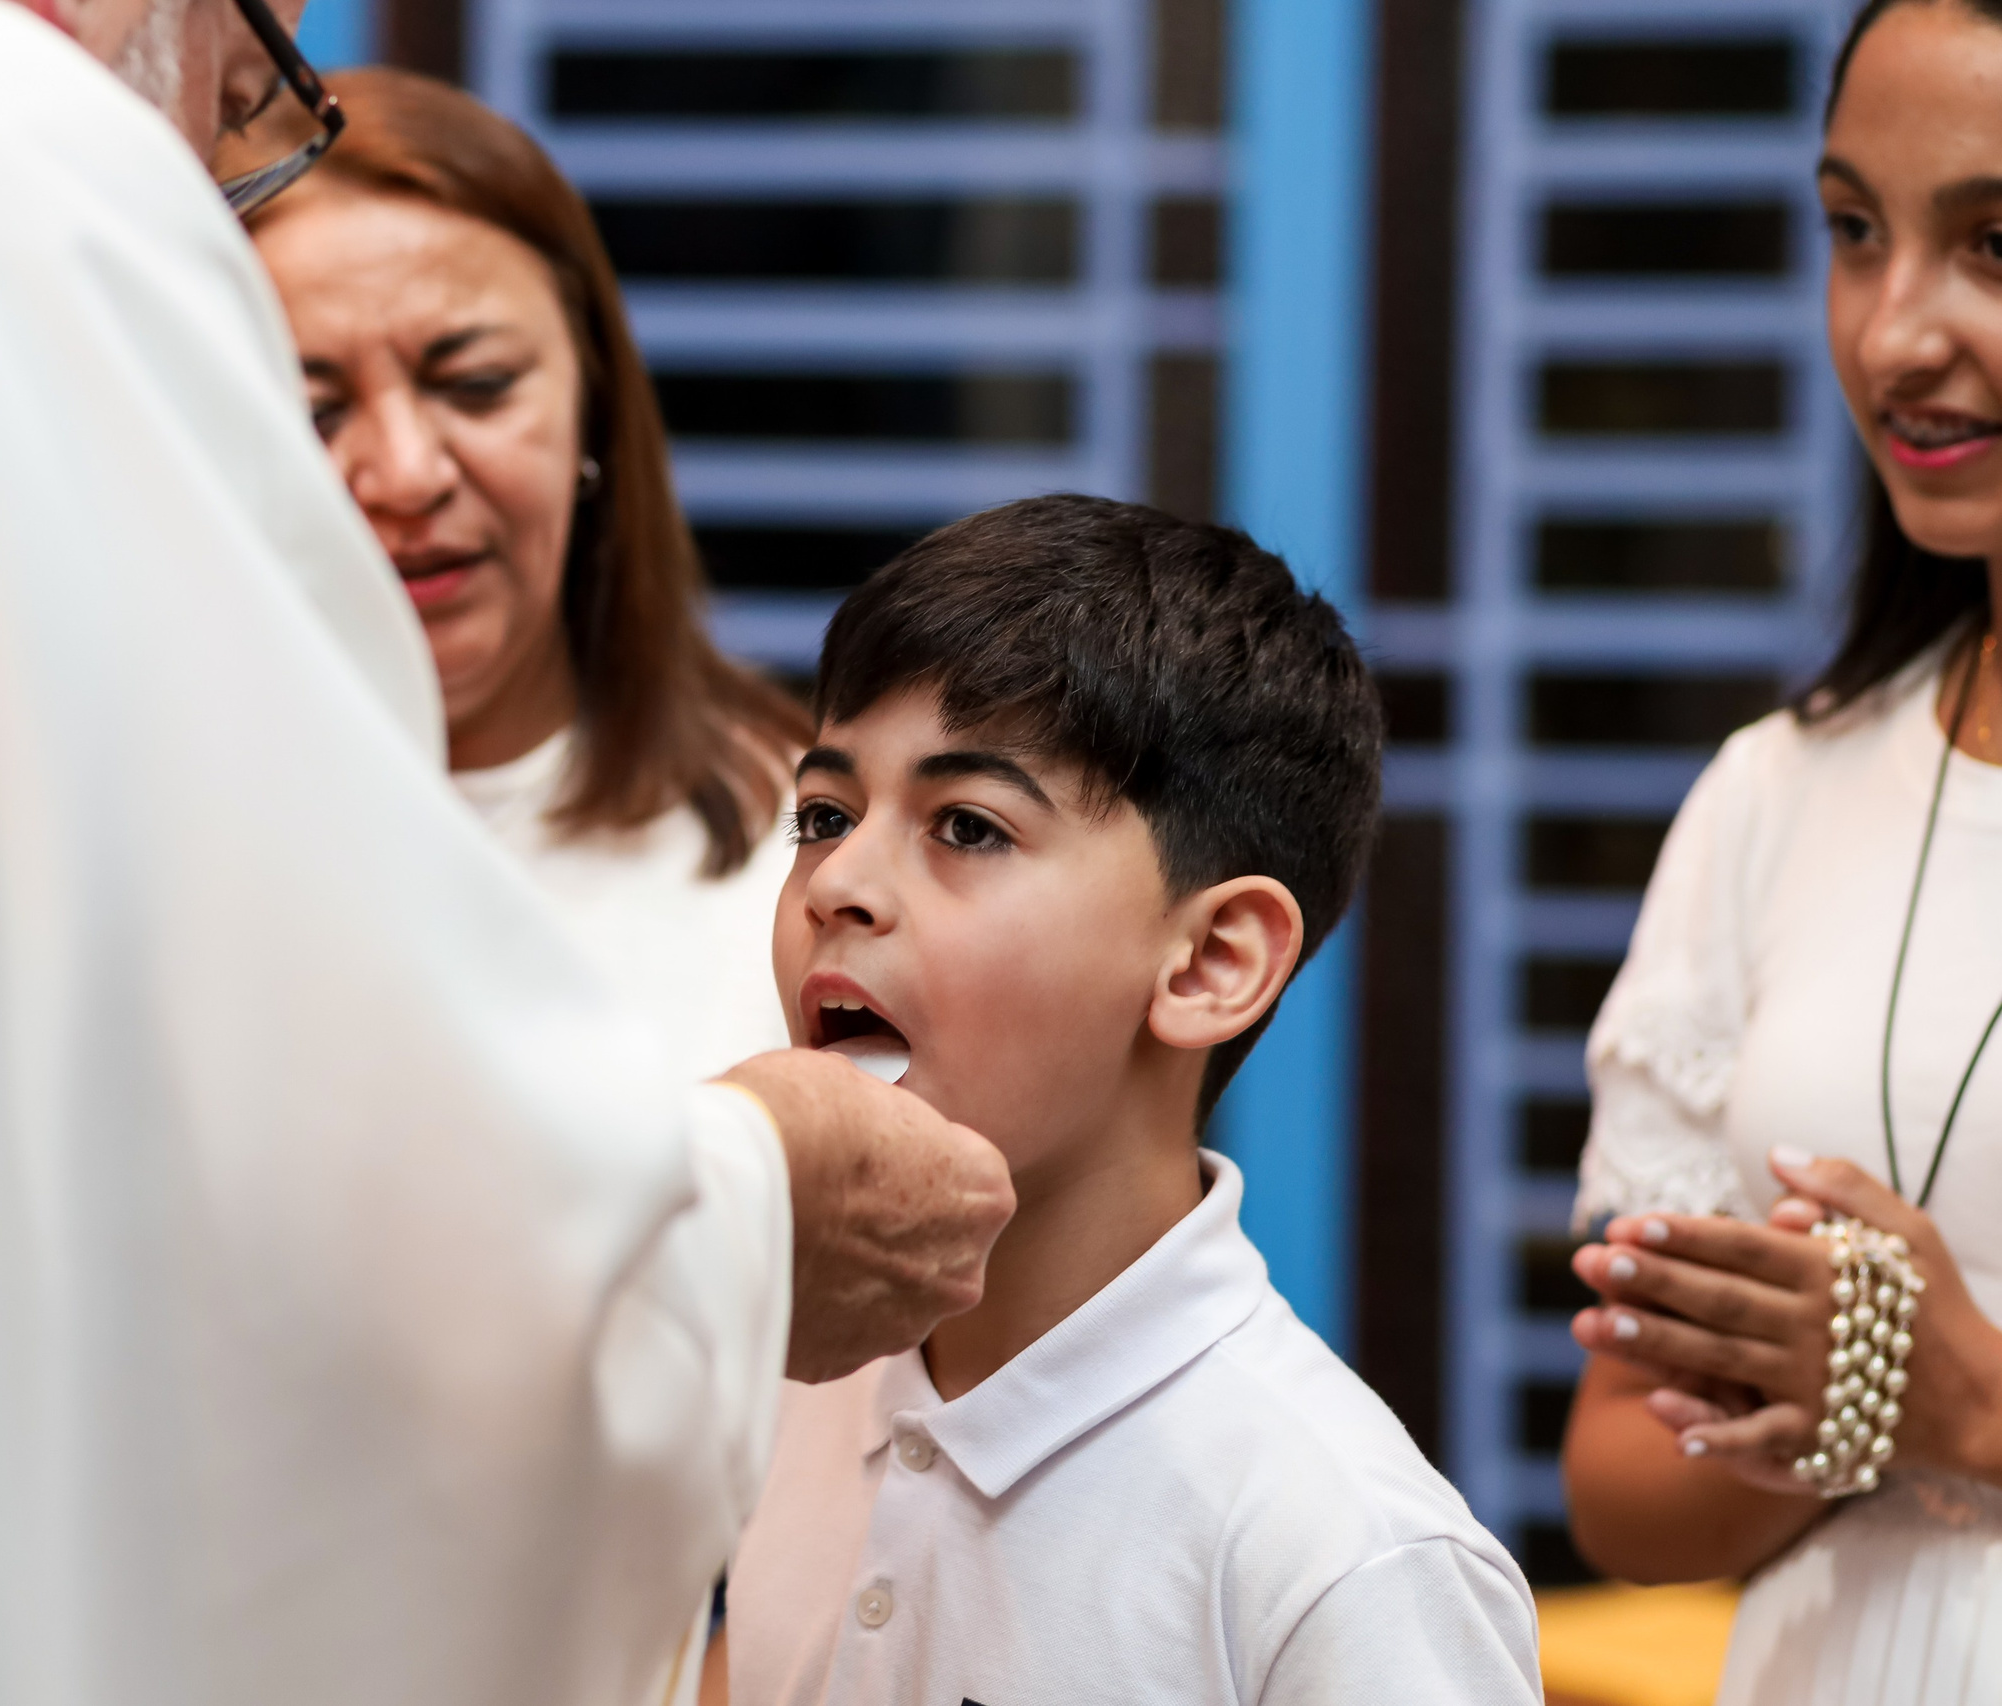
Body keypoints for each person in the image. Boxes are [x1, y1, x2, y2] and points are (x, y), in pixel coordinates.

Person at [0, 1, 1015, 1702]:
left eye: (473, 379)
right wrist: (747, 1217)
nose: (398, 474)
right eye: (245, 66)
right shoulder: (6, 173)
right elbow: (289, 1256)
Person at [716, 497, 1542, 1705]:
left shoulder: (1340, 1552)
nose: (837, 880)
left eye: (965, 825)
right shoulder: (794, 1372)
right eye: (825, 815)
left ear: (1211, 961)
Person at [1560, 3, 2002, 1699]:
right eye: (1853, 231)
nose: (1895, 336)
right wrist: (1820, 1407)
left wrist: (1953, 1398)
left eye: (1994, 242)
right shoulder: (1776, 794)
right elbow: (1617, 1478)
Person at [222, 69, 805, 1078]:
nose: (405, 474)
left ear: (591, 402)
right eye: (313, 408)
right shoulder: (121, 860)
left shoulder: (812, 863)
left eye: (476, 385)